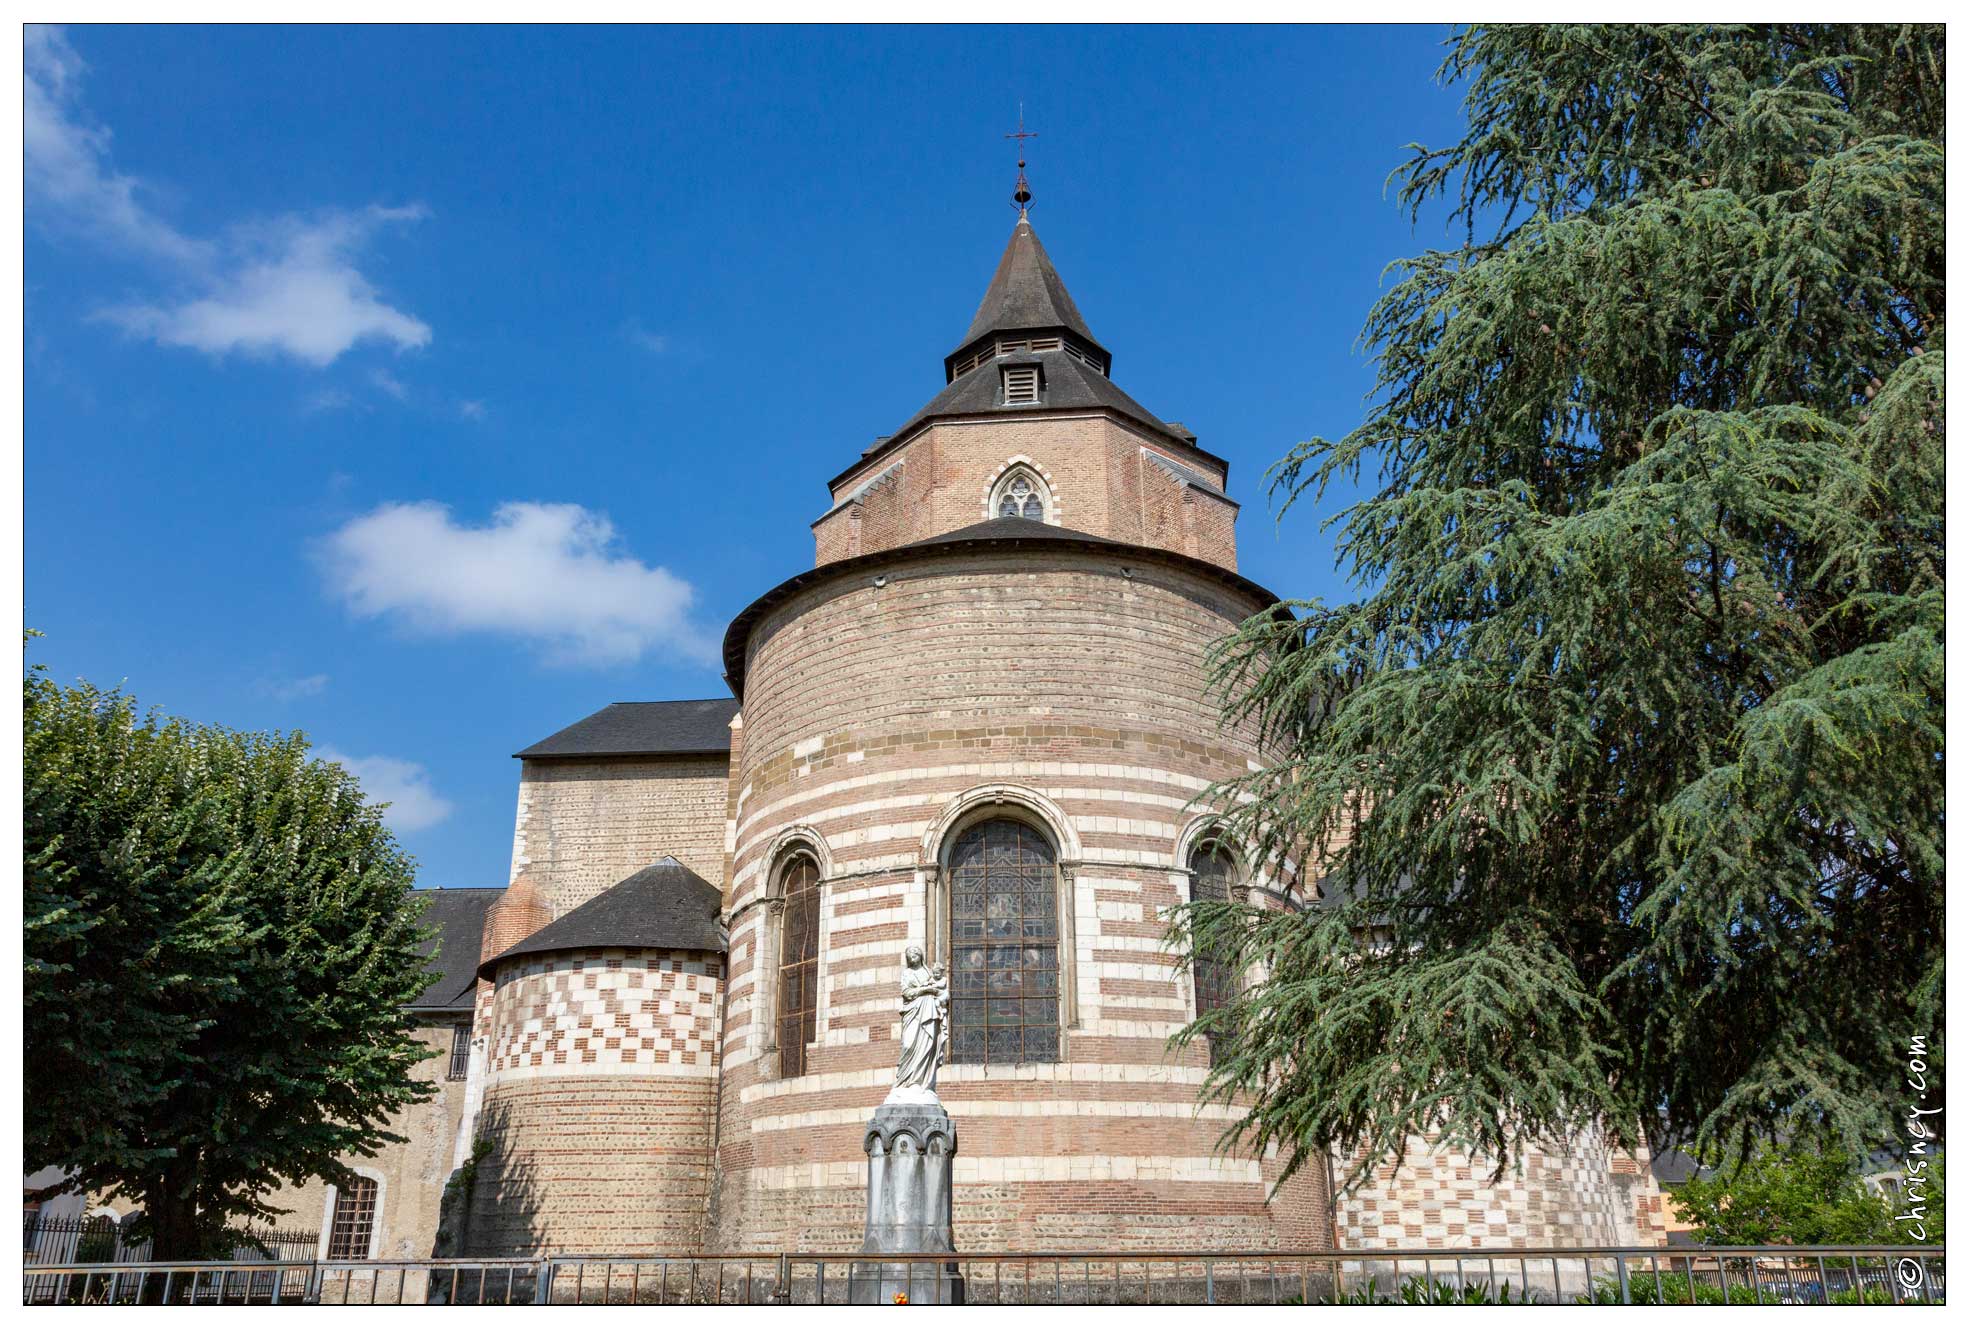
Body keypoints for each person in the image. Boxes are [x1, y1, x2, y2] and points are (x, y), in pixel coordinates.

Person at [890, 945, 948, 1099]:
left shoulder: (928, 973)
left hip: (928, 1011)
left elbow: (941, 991)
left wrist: (936, 994)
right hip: (912, 1011)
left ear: (920, 956)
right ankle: (904, 1081)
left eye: (914, 955)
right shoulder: (907, 974)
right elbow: (906, 993)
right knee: (908, 1045)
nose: (912, 958)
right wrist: (924, 990)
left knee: (927, 1045)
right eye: (909, 956)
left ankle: (920, 1082)